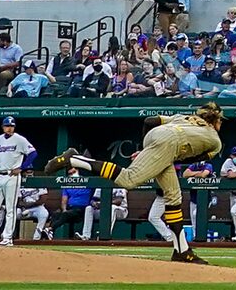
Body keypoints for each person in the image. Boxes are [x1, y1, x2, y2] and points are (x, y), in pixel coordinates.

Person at [52, 101, 225, 263]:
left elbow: (150, 121)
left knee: (173, 197)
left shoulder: (183, 117)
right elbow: (191, 159)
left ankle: (181, 250)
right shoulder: (215, 141)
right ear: (216, 121)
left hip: (156, 134)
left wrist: (145, 151)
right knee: (129, 179)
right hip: (170, 145)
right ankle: (75, 159)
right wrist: (151, 155)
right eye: (220, 122)